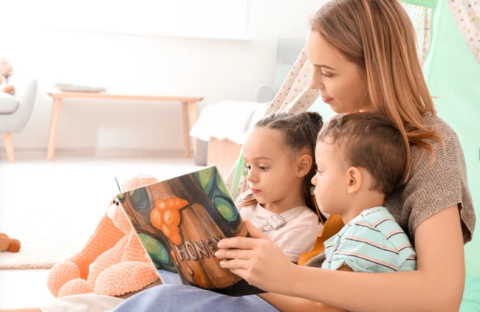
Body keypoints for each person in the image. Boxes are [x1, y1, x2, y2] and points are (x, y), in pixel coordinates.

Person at [236, 112, 325, 263]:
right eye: (248, 166)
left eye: (263, 167)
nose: (250, 177)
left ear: (301, 166)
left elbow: (274, 280)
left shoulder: (303, 228)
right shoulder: (245, 200)